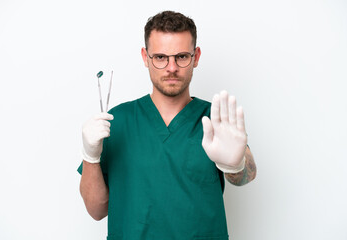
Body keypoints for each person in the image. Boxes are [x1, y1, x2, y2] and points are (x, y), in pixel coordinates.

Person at [78, 10, 257, 240]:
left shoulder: (215, 119)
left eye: (181, 56)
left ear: (196, 56)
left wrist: (235, 165)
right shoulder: (117, 120)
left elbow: (247, 176)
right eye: (161, 57)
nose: (171, 67)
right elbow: (96, 210)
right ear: (145, 57)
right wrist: (90, 156)